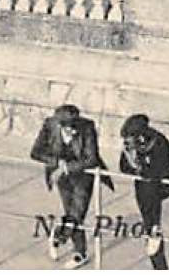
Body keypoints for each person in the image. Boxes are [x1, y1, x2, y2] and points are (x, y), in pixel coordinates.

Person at [29, 104, 109, 268]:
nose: (73, 132)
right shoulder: (49, 125)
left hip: (83, 176)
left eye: (75, 128)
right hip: (61, 178)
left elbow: (91, 159)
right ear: (59, 125)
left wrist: (66, 167)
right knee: (70, 213)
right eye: (69, 130)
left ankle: (61, 237)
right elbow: (35, 152)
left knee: (77, 214)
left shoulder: (87, 127)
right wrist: (57, 163)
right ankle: (78, 250)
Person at [118, 114, 169, 270]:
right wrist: (131, 161)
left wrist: (140, 167)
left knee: (151, 218)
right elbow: (123, 167)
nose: (129, 141)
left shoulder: (159, 141)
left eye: (132, 136)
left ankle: (155, 236)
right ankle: (154, 234)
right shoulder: (131, 144)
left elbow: (161, 169)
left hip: (163, 184)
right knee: (148, 218)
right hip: (144, 187)